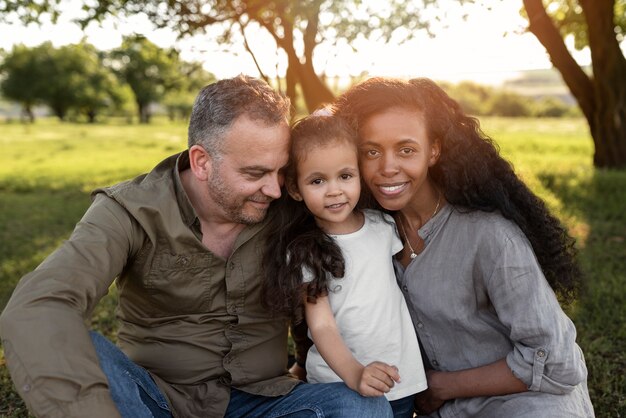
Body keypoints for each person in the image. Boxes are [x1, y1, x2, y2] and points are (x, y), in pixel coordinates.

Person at [0, 75, 394, 418]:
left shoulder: (287, 202)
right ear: (202, 162)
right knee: (77, 344)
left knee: (363, 407)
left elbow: (365, 192)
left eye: (280, 171)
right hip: (154, 400)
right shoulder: (129, 211)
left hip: (263, 402)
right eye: (254, 173)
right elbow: (40, 304)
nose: (274, 189)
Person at [327, 76, 596, 417]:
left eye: (406, 150)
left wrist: (442, 385)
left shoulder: (492, 237)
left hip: (530, 403)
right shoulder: (369, 234)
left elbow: (557, 362)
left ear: (434, 151)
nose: (387, 168)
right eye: (371, 152)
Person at [261, 111, 427, 418]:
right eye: (318, 180)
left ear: (360, 175)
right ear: (296, 189)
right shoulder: (305, 251)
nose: (334, 190)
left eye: (345, 176)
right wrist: (355, 374)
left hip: (400, 377)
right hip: (340, 384)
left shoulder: (383, 227)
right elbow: (321, 325)